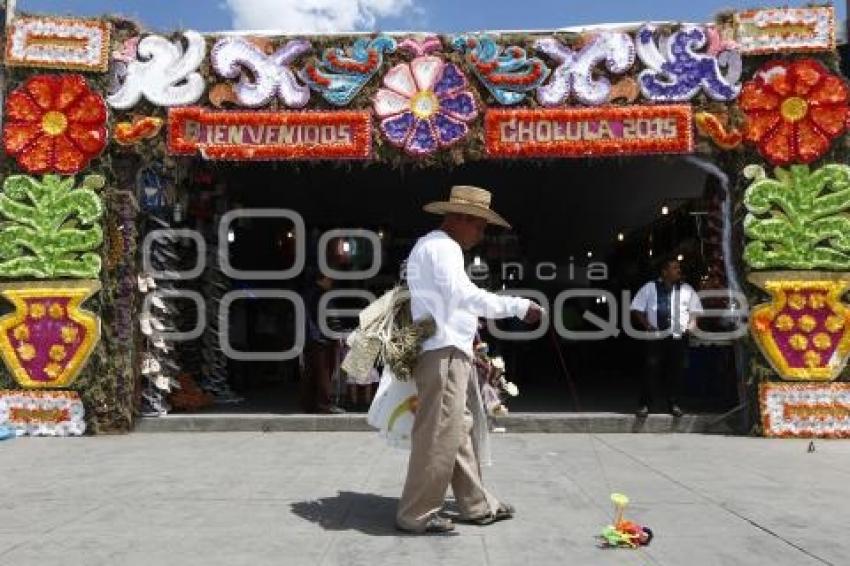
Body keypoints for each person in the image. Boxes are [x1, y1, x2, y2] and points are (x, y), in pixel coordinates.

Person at [396, 185, 543, 534]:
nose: (481, 234)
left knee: (455, 430)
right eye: (479, 225)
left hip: (441, 347)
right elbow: (461, 296)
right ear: (459, 218)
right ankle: (416, 513)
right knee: (438, 434)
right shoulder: (444, 248)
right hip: (443, 351)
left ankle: (477, 504)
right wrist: (517, 306)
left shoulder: (427, 245)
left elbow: (449, 301)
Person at [630, 258, 703, 419]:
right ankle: (645, 405)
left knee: (676, 371)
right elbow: (636, 308)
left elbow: (695, 310)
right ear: (664, 272)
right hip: (656, 336)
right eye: (674, 268)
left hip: (678, 337)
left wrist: (692, 323)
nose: (678, 270)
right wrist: (647, 325)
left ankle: (674, 404)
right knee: (651, 369)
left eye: (679, 268)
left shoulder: (686, 288)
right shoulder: (650, 288)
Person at [300, 271, 345, 414]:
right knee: (324, 372)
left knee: (312, 371)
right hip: (321, 338)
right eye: (329, 278)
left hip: (310, 337)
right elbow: (330, 317)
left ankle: (310, 404)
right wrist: (337, 335)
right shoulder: (323, 295)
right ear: (323, 279)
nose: (332, 281)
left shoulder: (308, 294)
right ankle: (324, 404)